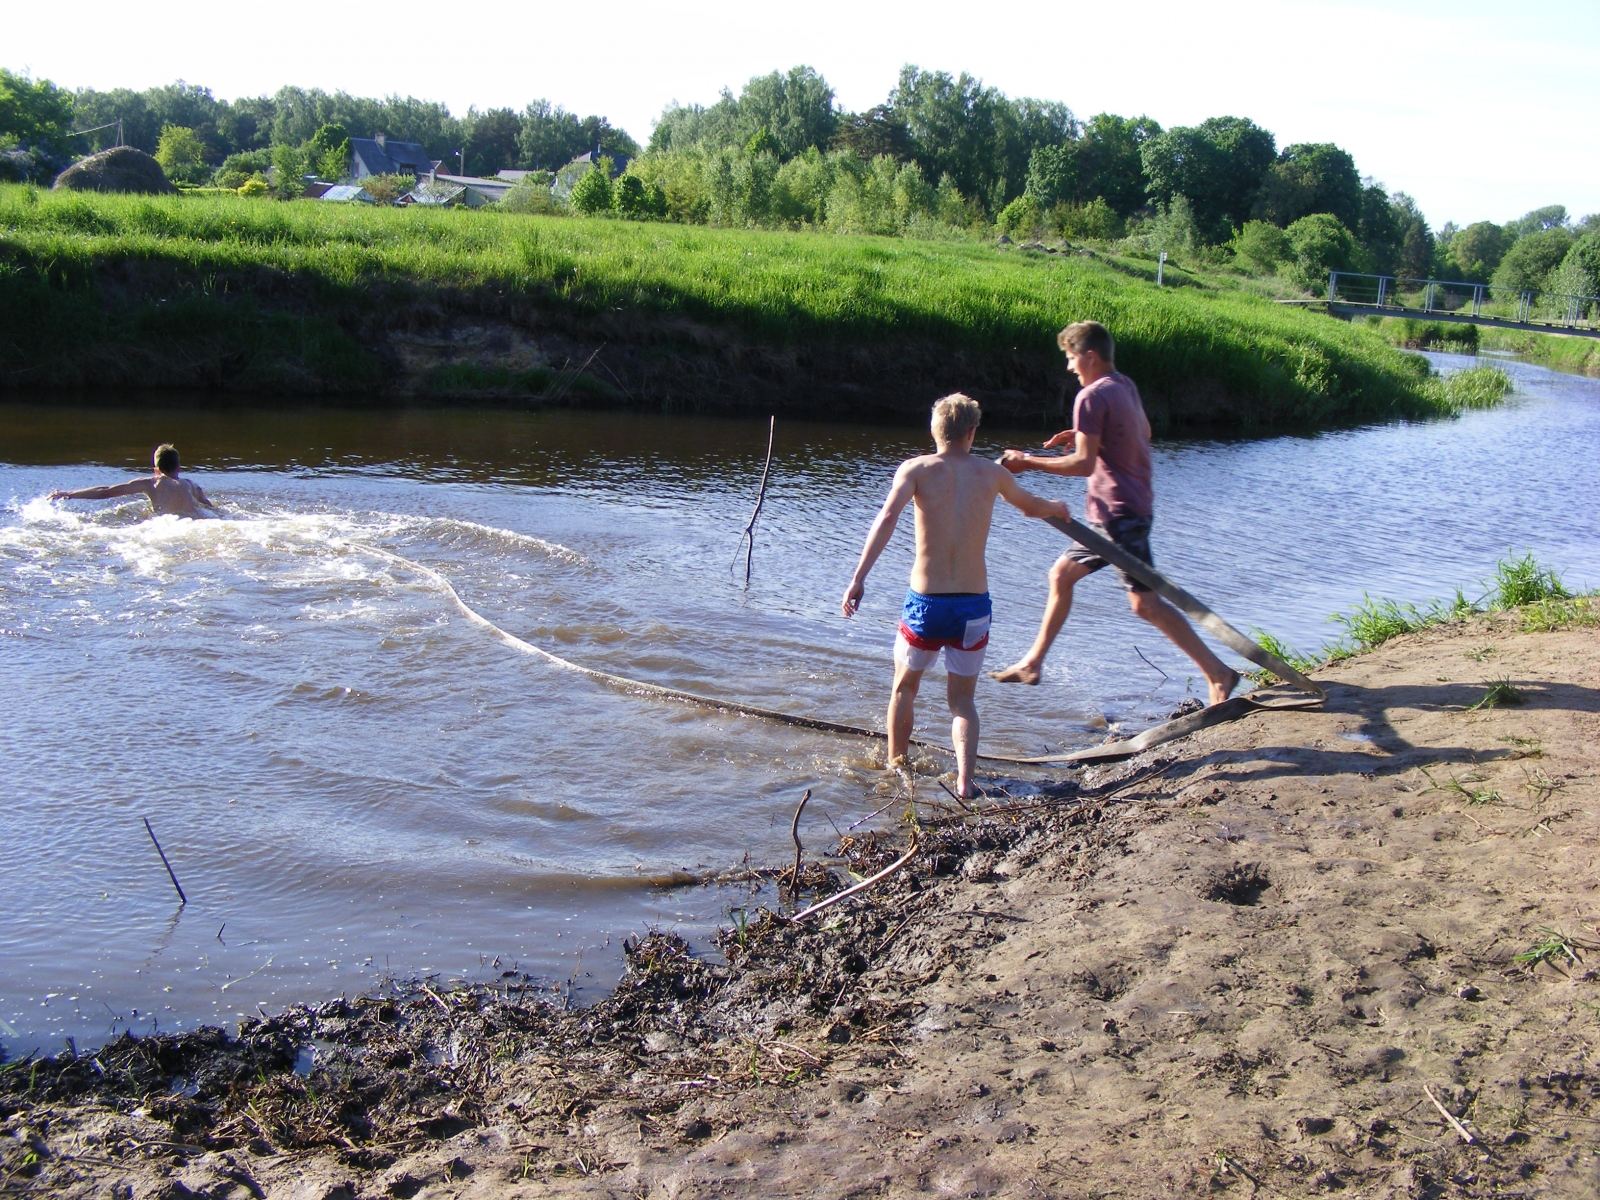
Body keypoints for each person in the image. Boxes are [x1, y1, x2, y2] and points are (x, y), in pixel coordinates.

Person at [990, 321, 1239, 705]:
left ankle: (1218, 674)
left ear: (1089, 356)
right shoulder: (1124, 385)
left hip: (1117, 515)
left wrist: (1028, 462)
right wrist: (1090, 432)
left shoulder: (1090, 397)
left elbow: (1084, 466)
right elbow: (1145, 431)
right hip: (1128, 509)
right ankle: (1033, 663)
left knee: (1145, 603)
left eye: (1072, 358)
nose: (1070, 367)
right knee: (1061, 575)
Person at [841, 394, 1070, 798]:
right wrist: (1057, 506)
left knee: (904, 689)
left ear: (934, 431)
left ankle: (898, 767)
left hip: (926, 604)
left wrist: (859, 578)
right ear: (972, 432)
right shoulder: (991, 474)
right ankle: (965, 782)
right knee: (963, 701)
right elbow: (1031, 507)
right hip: (973, 605)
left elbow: (887, 518)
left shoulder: (915, 469)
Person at [49, 443, 219, 519]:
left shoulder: (152, 483)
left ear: (155, 470)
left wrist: (68, 494)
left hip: (167, 527)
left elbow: (105, 491)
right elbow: (210, 508)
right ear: (178, 468)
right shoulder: (192, 486)